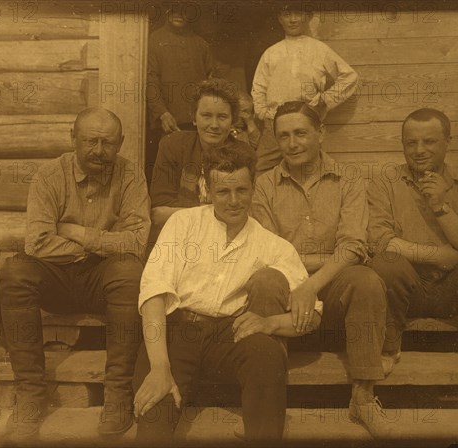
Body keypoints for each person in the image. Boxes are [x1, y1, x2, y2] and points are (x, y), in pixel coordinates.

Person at [133, 140, 322, 443]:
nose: (234, 201)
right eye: (223, 191)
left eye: (242, 190)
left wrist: (269, 323)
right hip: (176, 336)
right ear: (206, 189)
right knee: (155, 416)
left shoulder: (273, 245)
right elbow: (153, 295)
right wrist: (159, 368)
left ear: (254, 187)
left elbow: (312, 317)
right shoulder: (183, 223)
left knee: (266, 351)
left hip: (227, 337)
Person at [0, 108, 150, 442]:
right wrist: (97, 245)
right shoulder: (50, 175)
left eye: (108, 143)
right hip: (58, 278)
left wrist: (77, 233)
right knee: (15, 271)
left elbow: (136, 243)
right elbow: (36, 244)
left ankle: (118, 397)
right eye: (90, 141)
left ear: (120, 143)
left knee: (130, 271)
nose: (98, 150)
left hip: (104, 278)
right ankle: (31, 395)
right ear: (73, 138)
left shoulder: (131, 176)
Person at [251, 101, 393, 439]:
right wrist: (303, 278)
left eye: (301, 133)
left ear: (321, 133)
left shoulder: (349, 180)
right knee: (263, 279)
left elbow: (353, 246)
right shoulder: (264, 185)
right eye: (283, 136)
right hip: (284, 287)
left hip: (332, 287)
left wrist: (310, 285)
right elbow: (269, 250)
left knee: (367, 280)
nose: (293, 143)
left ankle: (363, 397)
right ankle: (266, 406)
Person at [367, 108, 458, 367]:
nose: (419, 150)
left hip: (453, 291)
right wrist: (440, 255)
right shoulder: (384, 183)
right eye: (411, 142)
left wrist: (441, 206)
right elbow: (380, 241)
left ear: (448, 141)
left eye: (429, 141)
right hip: (405, 291)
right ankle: (388, 349)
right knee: (386, 262)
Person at [251, 3, 358, 175]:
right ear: (279, 18)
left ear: (307, 17)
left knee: (308, 167)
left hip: (305, 119)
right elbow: (259, 87)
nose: (293, 20)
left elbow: (349, 77)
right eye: (287, 14)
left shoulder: (319, 49)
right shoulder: (271, 53)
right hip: (275, 123)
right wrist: (262, 111)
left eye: (298, 14)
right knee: (262, 168)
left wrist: (324, 99)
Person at [149, 77, 240, 229]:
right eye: (206, 116)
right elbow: (158, 214)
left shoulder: (242, 155)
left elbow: (242, 214)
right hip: (180, 236)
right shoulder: (173, 146)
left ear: (232, 121)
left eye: (222, 117)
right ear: (194, 118)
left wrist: (183, 213)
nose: (214, 125)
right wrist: (215, 215)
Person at [145, 2, 218, 183]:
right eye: (173, 8)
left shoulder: (201, 44)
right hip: (169, 122)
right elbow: (150, 80)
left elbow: (211, 82)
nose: (179, 14)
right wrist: (162, 113)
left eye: (185, 9)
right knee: (170, 172)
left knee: (197, 171)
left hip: (197, 123)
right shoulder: (154, 40)